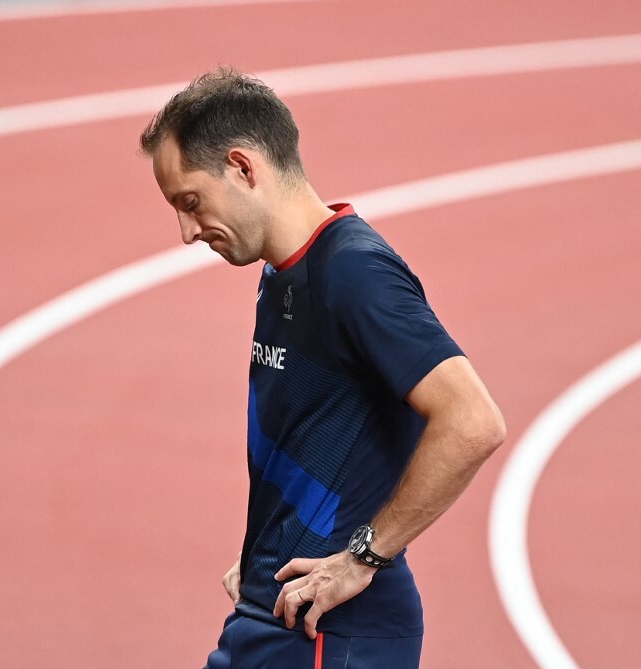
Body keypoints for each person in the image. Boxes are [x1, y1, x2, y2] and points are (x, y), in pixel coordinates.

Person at [140, 68, 506, 668]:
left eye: (190, 202)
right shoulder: (284, 271)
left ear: (242, 167)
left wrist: (362, 557)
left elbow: (473, 420)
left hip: (331, 637)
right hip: (275, 618)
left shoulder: (353, 274)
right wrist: (267, 544)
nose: (185, 232)